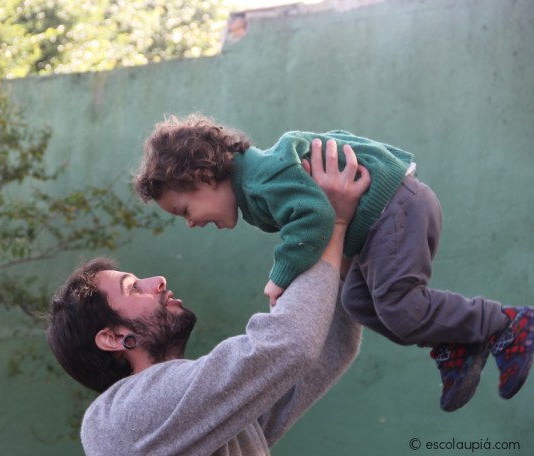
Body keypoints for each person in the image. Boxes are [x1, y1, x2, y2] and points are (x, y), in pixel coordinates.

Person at [133, 113, 534, 412]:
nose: (190, 223)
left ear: (204, 175)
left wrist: (280, 276)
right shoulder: (254, 189)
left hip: (395, 208)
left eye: (184, 210)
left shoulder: (261, 177)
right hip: (379, 225)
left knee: (398, 303)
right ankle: (456, 343)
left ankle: (506, 323)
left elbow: (314, 218)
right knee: (357, 302)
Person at [46, 144, 366, 455]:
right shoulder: (119, 419)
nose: (157, 281)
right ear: (114, 337)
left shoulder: (198, 415)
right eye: (132, 288)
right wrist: (331, 222)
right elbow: (289, 345)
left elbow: (321, 349)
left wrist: (342, 241)